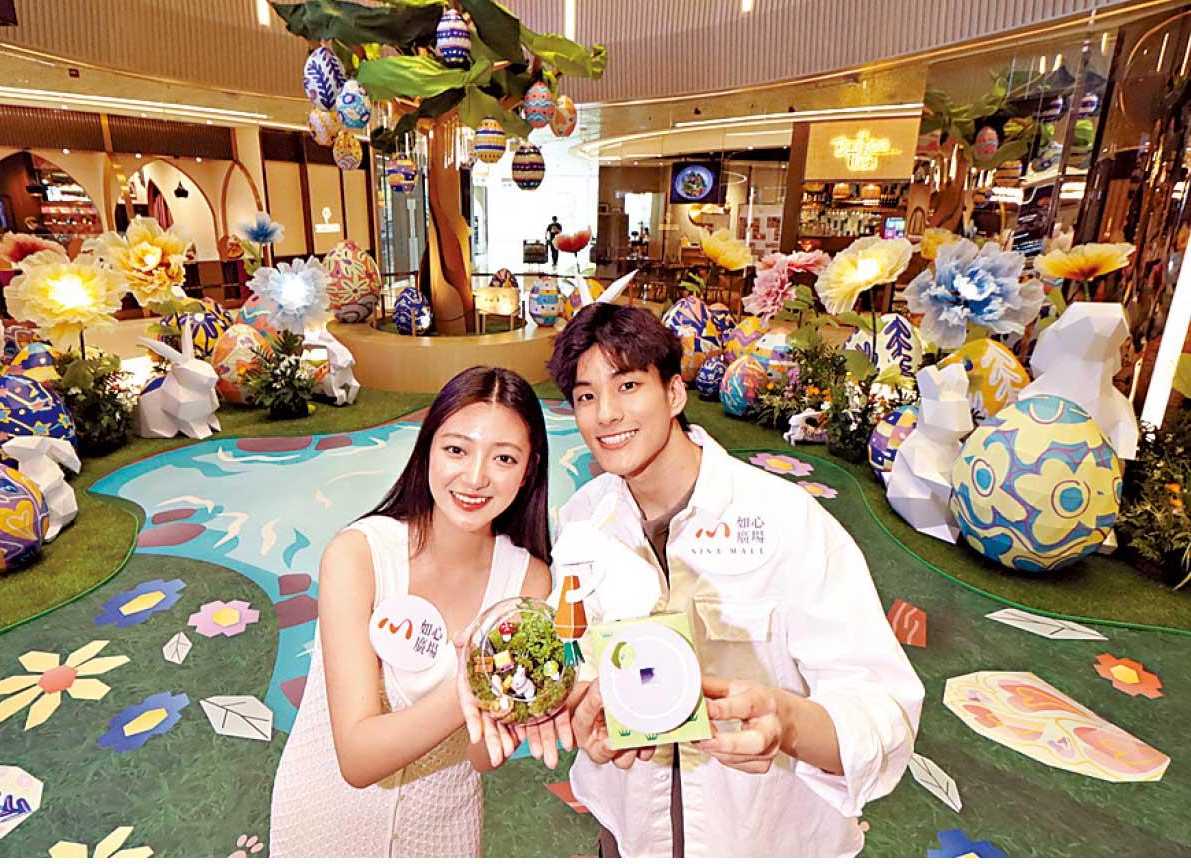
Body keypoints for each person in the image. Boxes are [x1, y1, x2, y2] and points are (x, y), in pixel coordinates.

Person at [544, 303, 924, 857]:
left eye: (627, 385)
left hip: (761, 840)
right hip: (627, 835)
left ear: (674, 392)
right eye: (585, 396)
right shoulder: (582, 519)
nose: (606, 413)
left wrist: (786, 723)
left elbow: (883, 706)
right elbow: (576, 653)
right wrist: (585, 710)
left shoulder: (786, 520)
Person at [270, 366, 562, 857]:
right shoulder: (359, 555)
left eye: (504, 458)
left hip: (444, 828)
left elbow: (482, 755)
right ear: (427, 447)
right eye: (456, 449)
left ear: (529, 469)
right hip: (324, 819)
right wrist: (475, 684)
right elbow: (358, 759)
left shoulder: (529, 581)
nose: (475, 477)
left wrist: (520, 708)